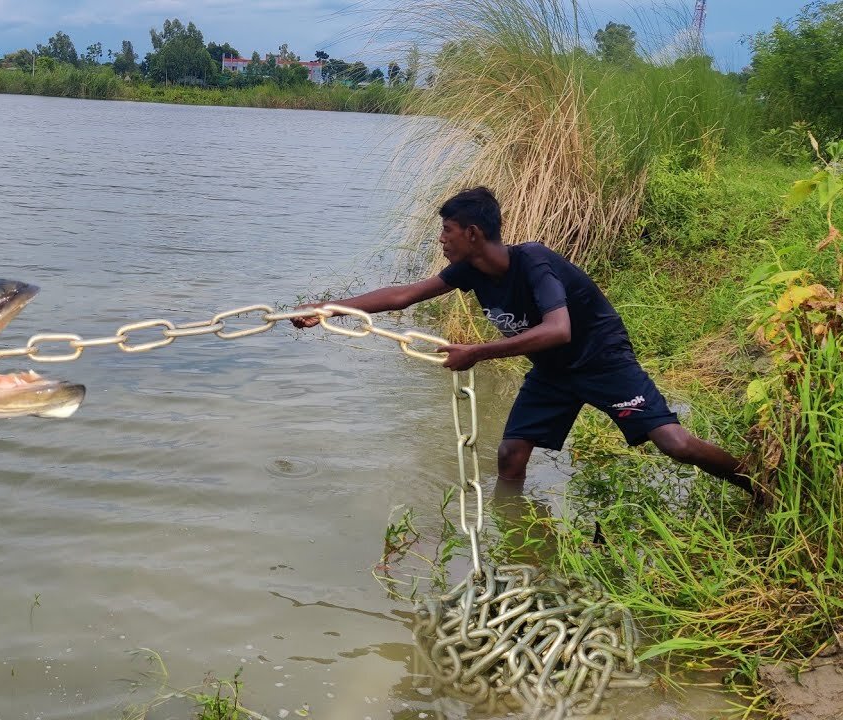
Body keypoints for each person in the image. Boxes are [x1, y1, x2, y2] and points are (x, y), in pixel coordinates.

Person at [292, 186, 754, 497]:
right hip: (552, 372)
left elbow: (559, 329)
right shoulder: (469, 271)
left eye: (447, 231)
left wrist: (476, 353)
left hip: (601, 361)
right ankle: (515, 543)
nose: (442, 241)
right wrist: (329, 308)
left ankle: (761, 484)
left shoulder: (533, 261)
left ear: (472, 233)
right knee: (510, 456)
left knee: (674, 442)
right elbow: (404, 295)